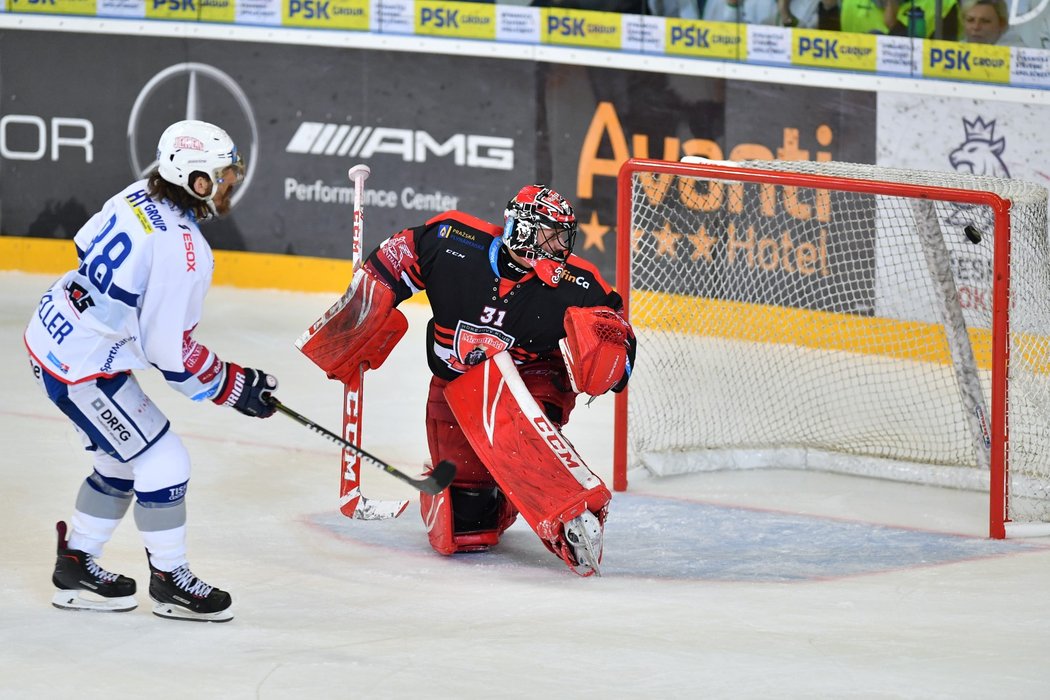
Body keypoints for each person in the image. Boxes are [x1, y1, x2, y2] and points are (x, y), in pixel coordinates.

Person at [299, 185, 636, 576]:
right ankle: (501, 495)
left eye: (564, 237)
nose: (560, 247)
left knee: (514, 428)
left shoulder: (579, 284)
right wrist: (362, 312)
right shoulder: (452, 241)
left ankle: (567, 508)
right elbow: (392, 259)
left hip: (533, 381)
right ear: (522, 230)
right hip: (456, 386)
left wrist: (611, 358)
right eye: (550, 235)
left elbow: (620, 340)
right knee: (468, 528)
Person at [25, 119, 278, 622]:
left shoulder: (140, 192)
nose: (230, 183)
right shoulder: (186, 251)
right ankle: (169, 581)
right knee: (165, 462)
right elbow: (172, 356)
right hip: (82, 369)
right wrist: (235, 386)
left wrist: (111, 317)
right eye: (222, 175)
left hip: (53, 335)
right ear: (195, 180)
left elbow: (83, 244)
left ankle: (76, 565)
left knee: (121, 462)